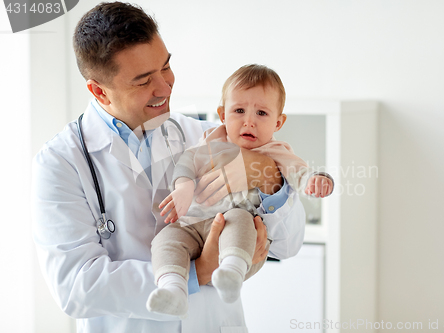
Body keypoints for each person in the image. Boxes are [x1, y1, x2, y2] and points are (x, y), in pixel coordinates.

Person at [31, 2, 306, 332]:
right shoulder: (61, 162)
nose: (164, 87)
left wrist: (266, 176)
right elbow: (76, 286)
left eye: (165, 67)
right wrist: (199, 271)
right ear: (99, 91)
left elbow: (288, 245)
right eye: (143, 79)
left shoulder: (203, 136)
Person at [147, 64, 334, 316]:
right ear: (222, 114)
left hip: (241, 238)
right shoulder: (211, 139)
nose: (249, 121)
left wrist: (314, 179)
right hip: (194, 225)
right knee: (166, 238)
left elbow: (299, 172)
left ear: (279, 122)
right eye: (239, 110)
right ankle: (172, 289)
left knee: (239, 218)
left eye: (262, 113)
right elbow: (188, 163)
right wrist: (183, 187)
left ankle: (231, 273)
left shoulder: (275, 151)